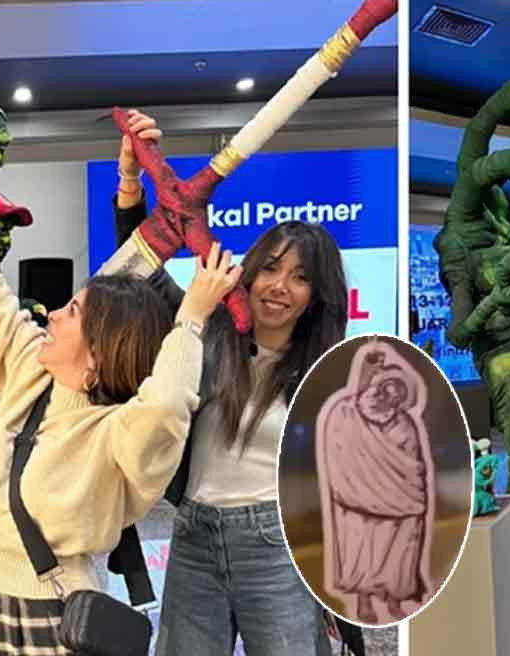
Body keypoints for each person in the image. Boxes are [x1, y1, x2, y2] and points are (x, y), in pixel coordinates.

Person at [0, 100, 242, 655]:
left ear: (100, 354)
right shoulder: (28, 367)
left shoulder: (119, 434)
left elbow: (166, 405)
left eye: (72, 312)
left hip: (55, 619)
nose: (52, 314)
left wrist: (193, 317)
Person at [112, 115, 348, 655]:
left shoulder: (325, 372)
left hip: (279, 540)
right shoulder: (209, 332)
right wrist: (129, 179)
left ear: (318, 294)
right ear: (250, 270)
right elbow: (141, 272)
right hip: (194, 533)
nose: (279, 287)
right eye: (271, 269)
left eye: (300, 277)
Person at [318, 340, 433, 624]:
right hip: (358, 500)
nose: (391, 395)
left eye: (398, 392)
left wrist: (408, 491)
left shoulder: (405, 424)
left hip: (403, 501)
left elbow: (414, 464)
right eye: (388, 387)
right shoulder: (348, 414)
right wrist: (368, 364)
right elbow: (339, 450)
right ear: (378, 387)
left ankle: (395, 599)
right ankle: (364, 601)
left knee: (401, 550)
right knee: (362, 549)